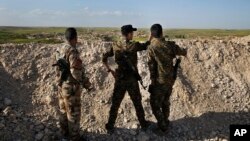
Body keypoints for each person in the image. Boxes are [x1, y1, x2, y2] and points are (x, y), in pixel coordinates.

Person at [102, 24, 152, 134]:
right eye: (132, 33)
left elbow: (104, 57)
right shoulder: (134, 45)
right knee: (137, 102)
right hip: (131, 80)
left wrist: (110, 70)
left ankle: (110, 126)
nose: (133, 35)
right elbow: (146, 45)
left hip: (119, 79)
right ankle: (143, 124)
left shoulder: (115, 44)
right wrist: (151, 36)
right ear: (128, 34)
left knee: (115, 103)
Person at [147, 24, 187, 132]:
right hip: (170, 80)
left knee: (155, 104)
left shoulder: (152, 47)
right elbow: (183, 52)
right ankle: (166, 120)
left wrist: (152, 81)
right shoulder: (170, 45)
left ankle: (162, 124)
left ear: (152, 34)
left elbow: (151, 65)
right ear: (162, 32)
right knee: (165, 101)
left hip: (159, 81)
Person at [54, 28, 91, 141]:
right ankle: (74, 138)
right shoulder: (72, 51)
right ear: (75, 38)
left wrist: (59, 81)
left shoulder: (59, 48)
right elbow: (76, 73)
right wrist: (86, 84)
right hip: (71, 89)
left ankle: (64, 133)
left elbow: (57, 68)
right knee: (73, 114)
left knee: (63, 110)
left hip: (61, 86)